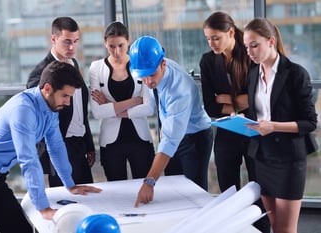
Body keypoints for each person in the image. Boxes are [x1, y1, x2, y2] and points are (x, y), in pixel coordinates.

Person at [0, 61, 102, 233]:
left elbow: (56, 147)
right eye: (65, 96)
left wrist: (70, 184)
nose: (68, 102)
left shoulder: (50, 110)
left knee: (21, 230)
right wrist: (43, 208)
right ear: (47, 88)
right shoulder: (23, 110)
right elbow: (29, 160)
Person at [243, 18, 317, 233]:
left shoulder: (295, 74)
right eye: (247, 47)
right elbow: (257, 113)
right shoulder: (254, 74)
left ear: (271, 41)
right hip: (263, 157)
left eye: (254, 45)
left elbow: (310, 122)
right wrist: (240, 119)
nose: (250, 52)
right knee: (275, 226)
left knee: (286, 229)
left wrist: (274, 126)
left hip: (288, 161)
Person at [200, 12, 271, 233]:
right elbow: (211, 107)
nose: (211, 43)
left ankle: (261, 230)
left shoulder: (250, 54)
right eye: (208, 39)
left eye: (216, 38)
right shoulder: (208, 61)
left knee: (258, 189)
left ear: (231, 32)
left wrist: (226, 99)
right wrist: (239, 101)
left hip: (253, 131)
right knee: (228, 191)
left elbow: (255, 99)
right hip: (227, 132)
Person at [128, 36, 213, 207]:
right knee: (176, 191)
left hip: (194, 140)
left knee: (194, 196)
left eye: (151, 75)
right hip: (174, 137)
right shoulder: (153, 70)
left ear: (163, 64)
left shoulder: (180, 91)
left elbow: (169, 142)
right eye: (143, 77)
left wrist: (149, 182)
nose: (148, 81)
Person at [27, 16, 96, 187]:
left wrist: (88, 143)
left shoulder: (73, 64)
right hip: (59, 147)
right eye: (66, 42)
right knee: (65, 203)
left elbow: (81, 109)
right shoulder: (40, 74)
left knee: (89, 199)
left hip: (79, 145)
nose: (72, 47)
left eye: (76, 41)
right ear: (53, 39)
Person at [88, 21, 155, 181]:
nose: (116, 51)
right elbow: (97, 112)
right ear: (105, 43)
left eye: (121, 45)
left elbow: (149, 108)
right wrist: (134, 101)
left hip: (140, 140)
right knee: (116, 191)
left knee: (145, 186)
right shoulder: (96, 68)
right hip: (111, 143)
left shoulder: (141, 63)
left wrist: (111, 108)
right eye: (111, 46)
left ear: (128, 41)